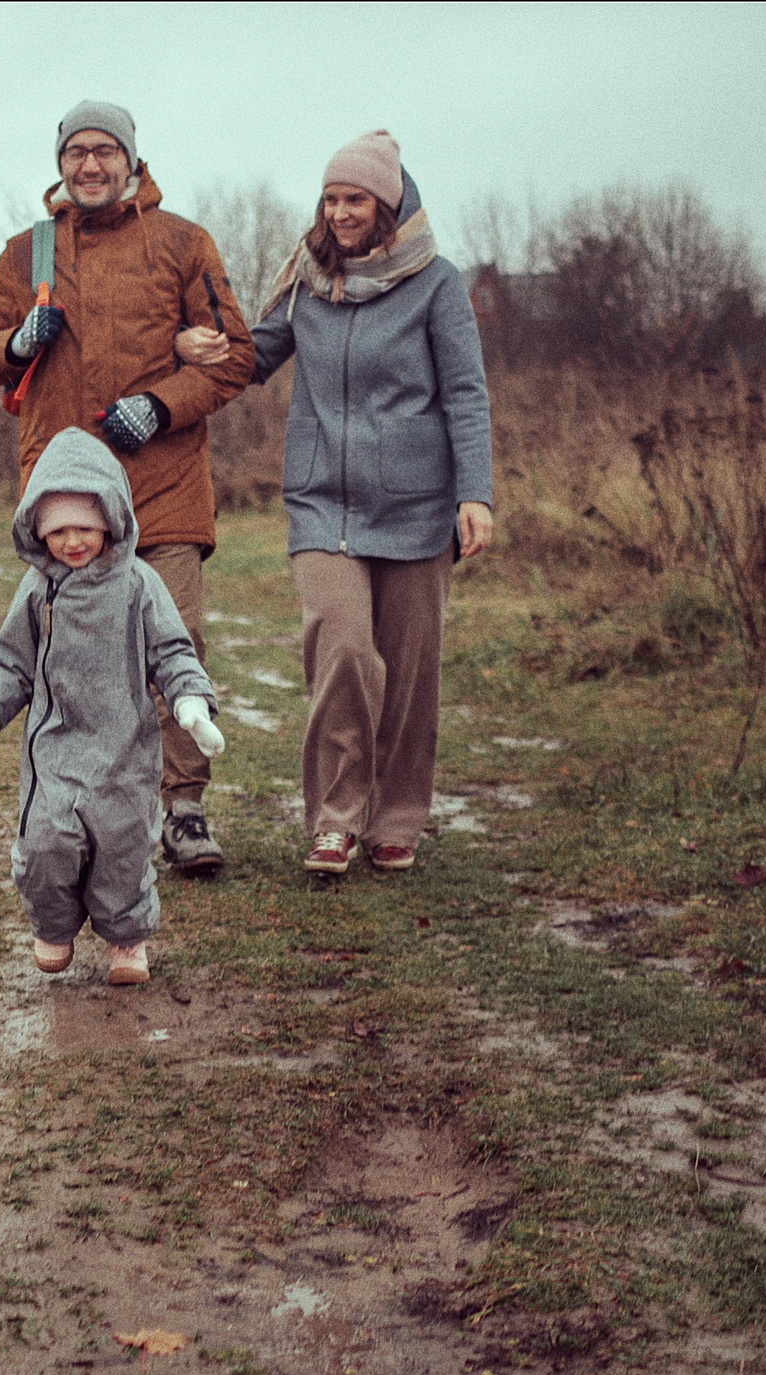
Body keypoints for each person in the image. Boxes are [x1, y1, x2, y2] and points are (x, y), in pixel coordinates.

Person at [178, 130, 492, 876]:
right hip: (325, 503)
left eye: (356, 198)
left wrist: (474, 493)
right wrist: (204, 347)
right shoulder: (308, 283)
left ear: (388, 205)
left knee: (411, 674)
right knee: (343, 647)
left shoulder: (437, 283)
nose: (341, 212)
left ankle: (397, 819)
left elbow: (466, 395)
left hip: (419, 505)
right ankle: (335, 819)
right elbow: (257, 357)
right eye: (331, 198)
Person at [0, 100, 254, 876]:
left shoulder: (184, 244)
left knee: (177, 640)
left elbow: (234, 357)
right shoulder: (26, 253)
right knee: (69, 661)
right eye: (76, 152)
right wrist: (17, 340)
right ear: (60, 164)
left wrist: (159, 403)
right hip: (66, 496)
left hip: (161, 485)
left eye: (105, 151)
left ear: (133, 160)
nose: (90, 165)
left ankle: (185, 809)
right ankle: (78, 811)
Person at [0, 428, 224, 987]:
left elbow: (172, 652)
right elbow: (13, 665)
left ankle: (125, 939)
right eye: (58, 531)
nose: (73, 542)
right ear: (37, 531)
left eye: (85, 527)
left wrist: (191, 701)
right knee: (47, 842)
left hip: (124, 749)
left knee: (121, 847)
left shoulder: (140, 586)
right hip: (55, 749)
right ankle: (54, 925)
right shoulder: (36, 591)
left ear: (110, 520)